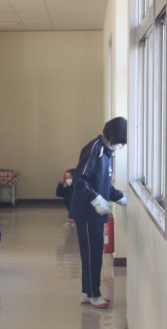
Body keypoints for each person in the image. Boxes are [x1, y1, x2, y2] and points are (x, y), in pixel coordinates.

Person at [69, 117, 127, 308]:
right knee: (92, 254)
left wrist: (121, 198)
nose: (121, 146)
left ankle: (87, 292)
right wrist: (96, 198)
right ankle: (94, 294)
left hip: (96, 212)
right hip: (86, 212)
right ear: (112, 137)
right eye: (121, 142)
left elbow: (105, 185)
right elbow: (80, 179)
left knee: (93, 254)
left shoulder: (109, 153)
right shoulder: (95, 149)